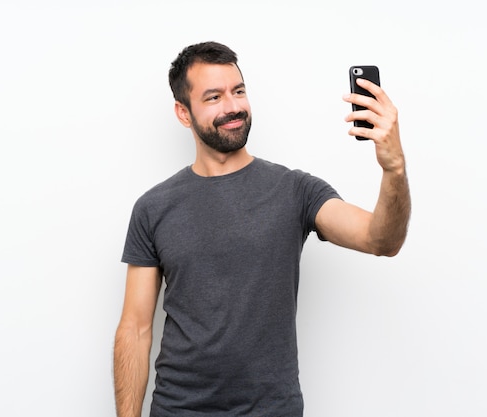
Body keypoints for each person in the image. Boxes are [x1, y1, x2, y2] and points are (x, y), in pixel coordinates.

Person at [113, 41, 410, 417]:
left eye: (238, 91)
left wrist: (394, 168)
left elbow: (381, 239)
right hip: (179, 409)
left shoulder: (296, 191)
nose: (233, 106)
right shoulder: (153, 208)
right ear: (183, 113)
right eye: (214, 97)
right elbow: (136, 329)